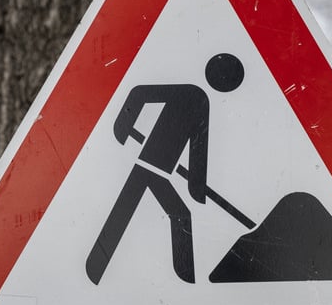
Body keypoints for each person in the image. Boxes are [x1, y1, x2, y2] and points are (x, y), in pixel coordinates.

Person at [85, 53, 244, 284]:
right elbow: (140, 93)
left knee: (158, 212)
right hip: (148, 166)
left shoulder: (199, 99)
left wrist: (196, 186)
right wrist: (123, 125)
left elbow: (197, 148)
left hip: (158, 171)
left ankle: (96, 267)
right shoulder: (194, 95)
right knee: (169, 214)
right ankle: (96, 267)